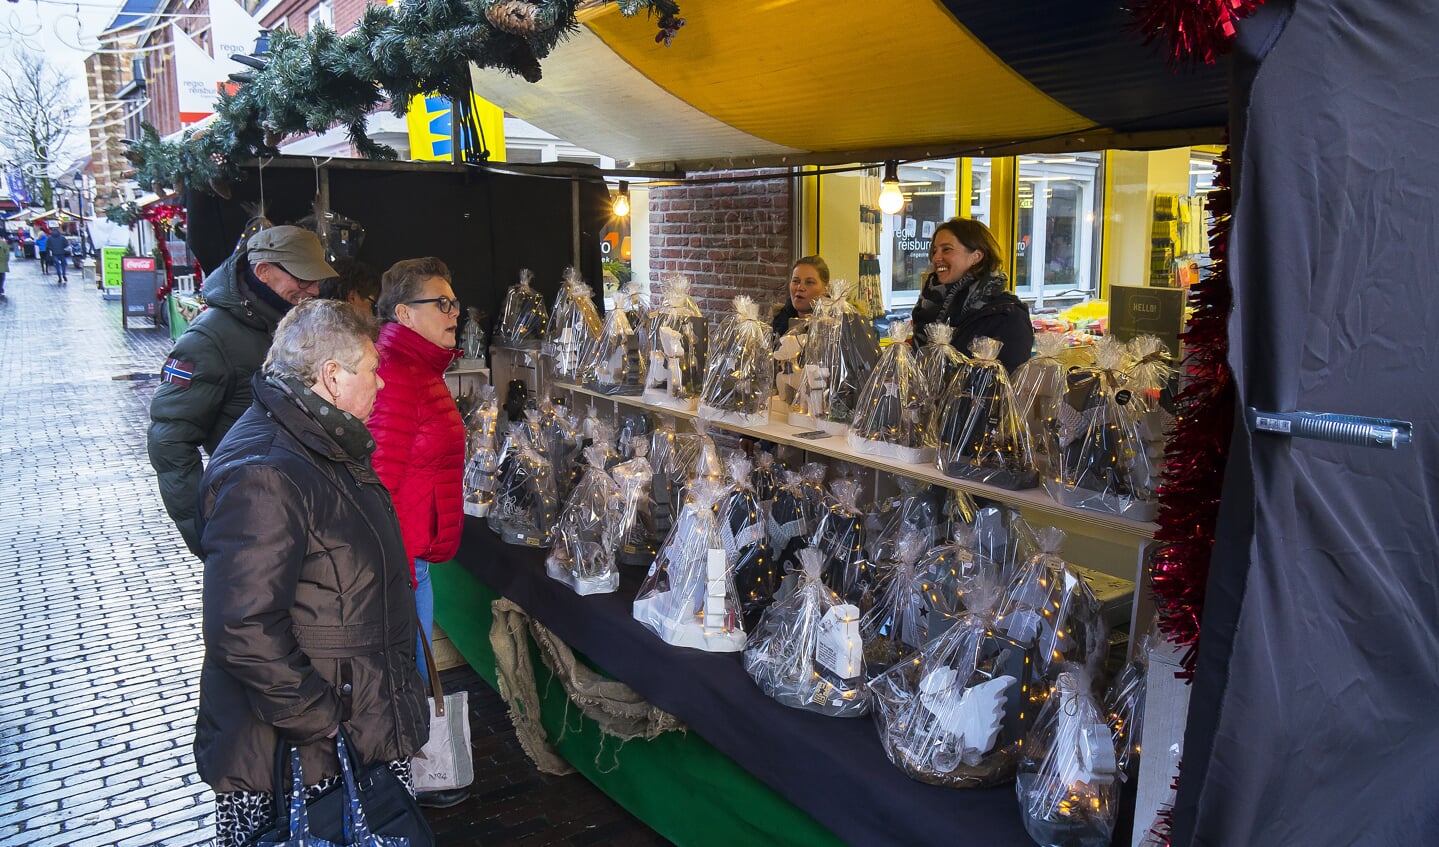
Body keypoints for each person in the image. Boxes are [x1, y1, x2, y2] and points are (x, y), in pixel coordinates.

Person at [194, 299, 429, 847]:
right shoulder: (269, 470)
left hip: (349, 731)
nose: (381, 386)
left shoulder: (319, 441)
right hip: (301, 757)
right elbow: (242, 624)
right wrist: (319, 717)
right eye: (372, 371)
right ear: (331, 376)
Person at [148, 225, 337, 557]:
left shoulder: (291, 323)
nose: (314, 288)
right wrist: (206, 531)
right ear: (263, 271)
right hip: (254, 519)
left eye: (316, 279)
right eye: (303, 279)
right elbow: (169, 442)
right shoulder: (208, 340)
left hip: (303, 511)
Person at [367, 258, 465, 691]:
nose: (455, 312)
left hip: (412, 560)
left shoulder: (419, 367)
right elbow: (379, 479)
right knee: (411, 685)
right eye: (442, 303)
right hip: (401, 564)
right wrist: (398, 575)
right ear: (404, 314)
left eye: (455, 302)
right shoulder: (397, 371)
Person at [911, 218, 1033, 372]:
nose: (936, 257)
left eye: (946, 249)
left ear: (977, 256)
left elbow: (1011, 384)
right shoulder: (930, 304)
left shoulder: (1008, 315)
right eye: (935, 250)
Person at [771, 255, 830, 337]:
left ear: (826, 289)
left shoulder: (836, 325)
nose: (800, 287)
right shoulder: (778, 322)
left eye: (809, 282)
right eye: (795, 281)